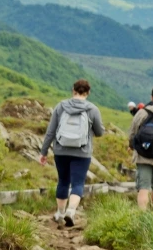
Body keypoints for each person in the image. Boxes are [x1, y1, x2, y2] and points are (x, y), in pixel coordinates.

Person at [39, 79, 105, 228]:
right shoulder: (92, 109)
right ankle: (71, 210)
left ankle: (60, 213)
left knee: (63, 181)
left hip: (61, 150)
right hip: (82, 152)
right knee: (78, 183)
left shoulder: (61, 106)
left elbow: (50, 132)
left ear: (73, 90)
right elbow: (100, 132)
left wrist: (43, 152)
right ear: (88, 92)